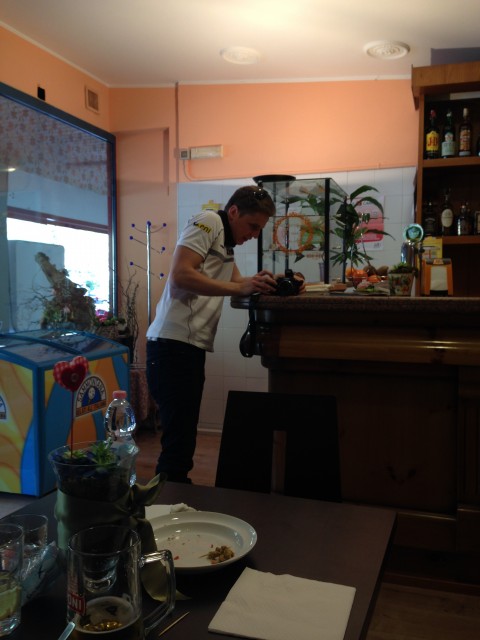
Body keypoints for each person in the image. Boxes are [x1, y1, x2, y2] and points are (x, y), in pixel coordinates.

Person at [146, 185, 278, 483]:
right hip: (172, 346)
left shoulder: (226, 241)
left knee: (182, 438)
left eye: (259, 229)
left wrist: (265, 282)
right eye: (252, 226)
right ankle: (170, 499)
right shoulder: (208, 221)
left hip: (186, 347)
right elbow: (181, 274)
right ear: (234, 212)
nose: (255, 234)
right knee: (178, 443)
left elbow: (237, 284)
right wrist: (241, 286)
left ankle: (174, 495)